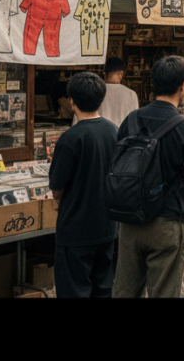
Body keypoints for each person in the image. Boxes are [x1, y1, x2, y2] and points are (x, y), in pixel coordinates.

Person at [113, 55, 184, 299]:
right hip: (167, 219)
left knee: (125, 290)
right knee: (164, 291)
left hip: (129, 218)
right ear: (183, 86)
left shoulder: (131, 119)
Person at [50, 72, 119, 298]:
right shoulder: (113, 131)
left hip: (76, 230)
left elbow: (57, 188)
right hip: (108, 227)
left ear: (72, 101)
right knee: (103, 288)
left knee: (74, 290)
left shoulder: (70, 138)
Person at [70, 57, 138, 129]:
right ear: (121, 73)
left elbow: (79, 120)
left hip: (97, 136)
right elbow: (134, 122)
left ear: (105, 74)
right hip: (121, 138)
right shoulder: (131, 94)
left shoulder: (93, 90)